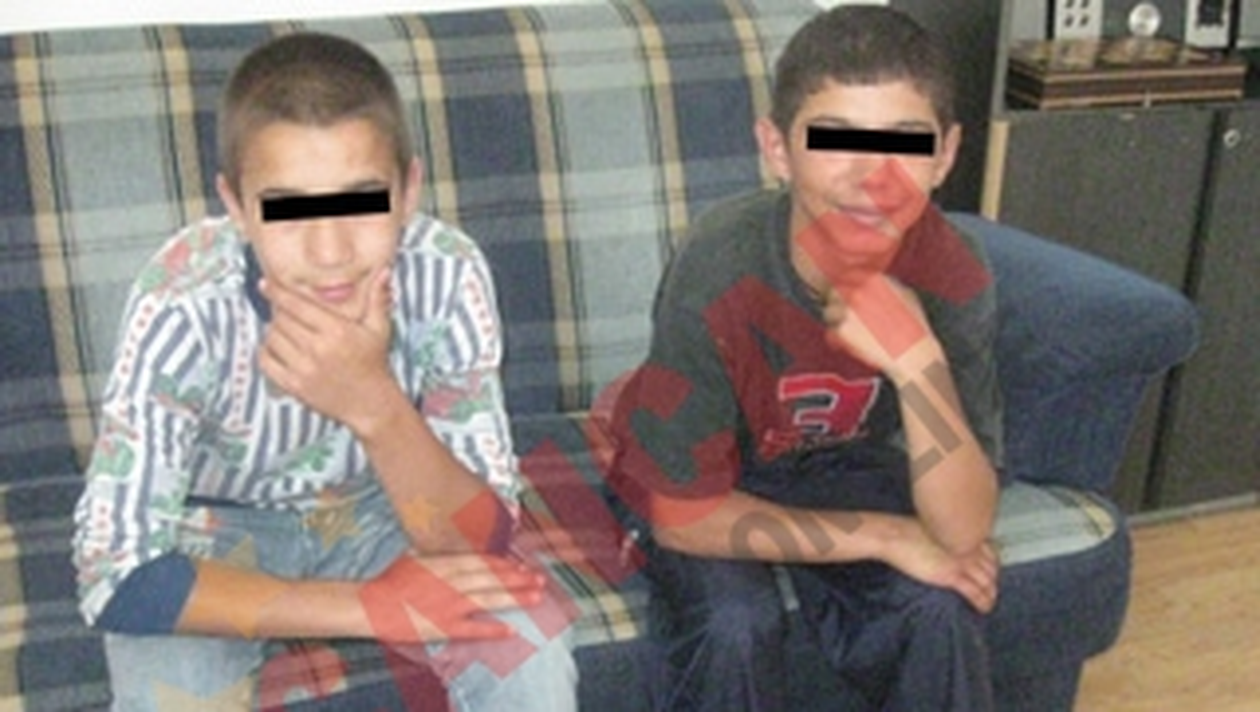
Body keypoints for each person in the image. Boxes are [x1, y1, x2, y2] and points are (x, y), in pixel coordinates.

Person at [71, 32, 576, 711]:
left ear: (408, 191)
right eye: (288, 209)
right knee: (174, 699)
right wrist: (371, 606)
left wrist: (375, 405)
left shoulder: (446, 273)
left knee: (529, 640)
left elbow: (481, 539)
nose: (331, 250)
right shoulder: (183, 301)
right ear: (236, 207)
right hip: (213, 530)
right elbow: (117, 574)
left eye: (362, 201)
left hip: (381, 505)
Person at [608, 6, 1001, 710]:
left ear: (945, 156)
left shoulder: (952, 269)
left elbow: (963, 529)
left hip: (847, 467)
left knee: (940, 603)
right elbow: (682, 513)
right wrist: (884, 537)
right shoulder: (721, 262)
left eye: (904, 143)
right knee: (735, 623)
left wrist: (919, 366)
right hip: (711, 478)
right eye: (836, 139)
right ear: (776, 148)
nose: (871, 176)